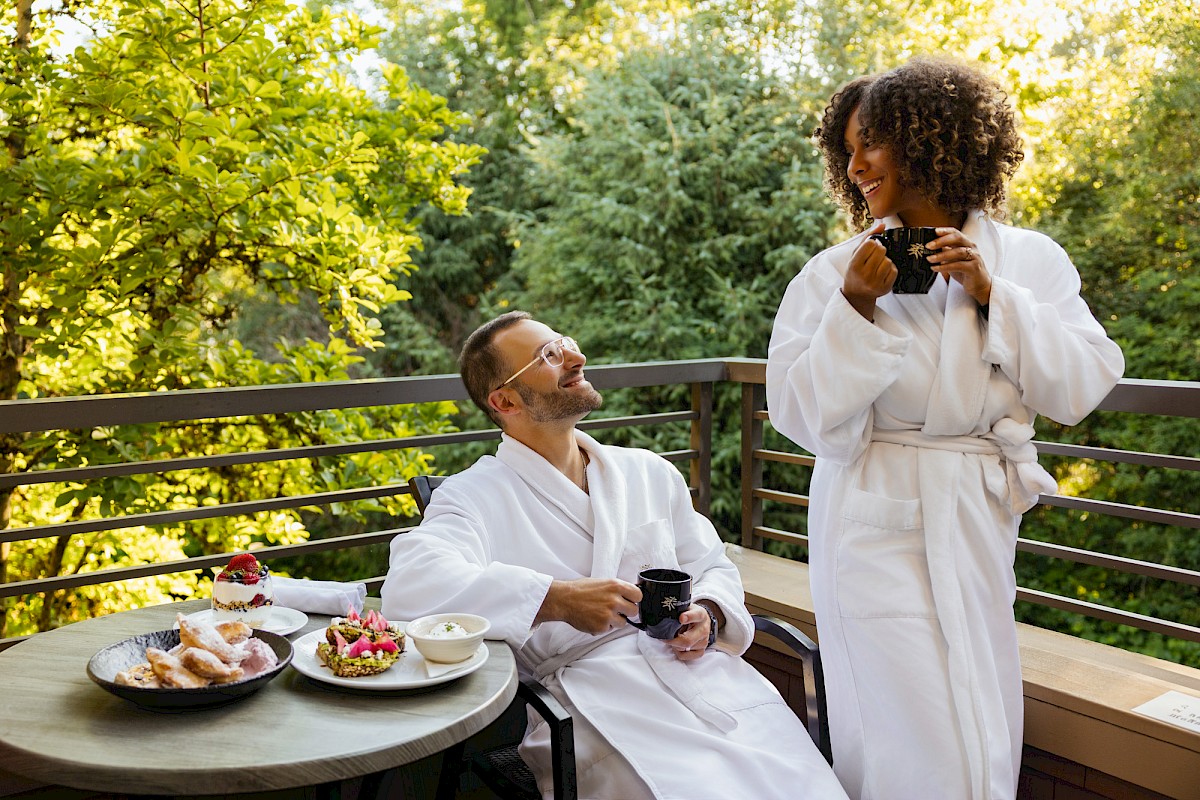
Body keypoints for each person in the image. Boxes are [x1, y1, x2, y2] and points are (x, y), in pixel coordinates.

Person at [766, 58, 1124, 800]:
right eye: (848, 150)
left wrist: (995, 294)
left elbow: (1084, 383)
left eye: (872, 143)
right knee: (908, 728)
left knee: (977, 709)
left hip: (973, 517)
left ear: (932, 141)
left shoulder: (1028, 260)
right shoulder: (834, 271)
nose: (856, 164)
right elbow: (798, 413)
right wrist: (854, 307)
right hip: (872, 521)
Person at [381, 311, 849, 800]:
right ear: (505, 400)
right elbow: (411, 587)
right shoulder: (472, 496)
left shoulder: (648, 473)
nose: (576, 358)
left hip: (705, 678)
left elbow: (710, 563)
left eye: (564, 342)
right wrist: (554, 600)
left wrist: (708, 613)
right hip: (590, 705)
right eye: (549, 356)